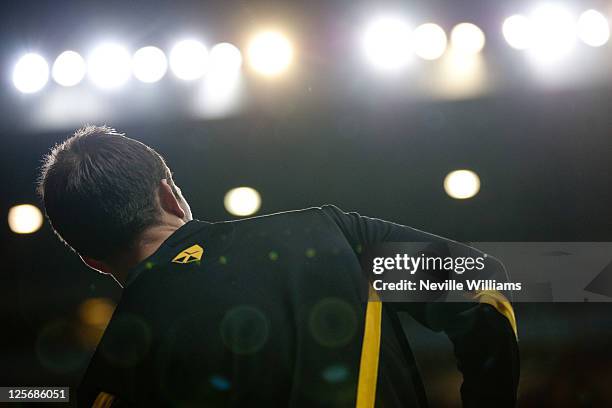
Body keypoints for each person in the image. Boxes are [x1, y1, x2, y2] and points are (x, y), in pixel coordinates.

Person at [37, 125, 519, 408]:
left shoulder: (111, 379)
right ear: (170, 195)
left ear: (91, 259)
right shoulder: (328, 232)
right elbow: (482, 286)